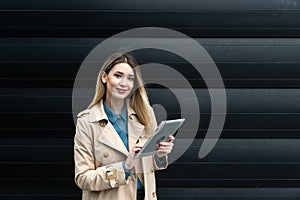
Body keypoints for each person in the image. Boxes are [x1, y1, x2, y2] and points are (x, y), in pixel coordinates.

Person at [74, 52, 175, 200]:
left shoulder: (145, 114)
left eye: (130, 78)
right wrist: (124, 167)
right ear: (104, 77)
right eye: (118, 76)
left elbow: (150, 166)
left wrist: (160, 155)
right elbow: (83, 178)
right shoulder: (87, 121)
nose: (124, 83)